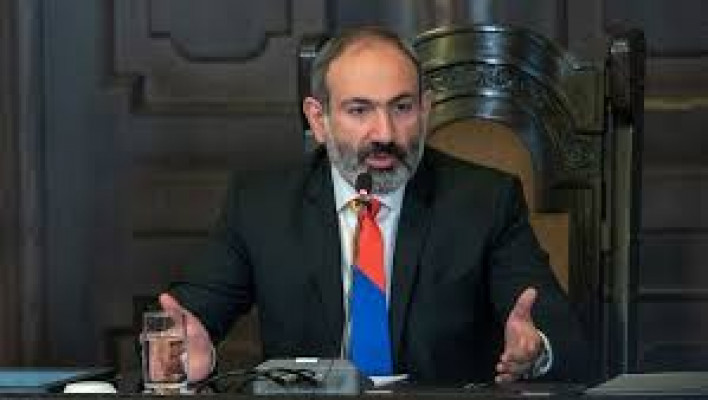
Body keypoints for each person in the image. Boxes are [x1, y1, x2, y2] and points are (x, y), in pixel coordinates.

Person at [160, 26, 590, 385]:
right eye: (359, 110)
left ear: (425, 110)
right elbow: (188, 320)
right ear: (319, 120)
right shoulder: (261, 204)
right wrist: (181, 351)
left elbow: (561, 336)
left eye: (401, 108)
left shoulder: (484, 201)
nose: (384, 133)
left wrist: (536, 350)